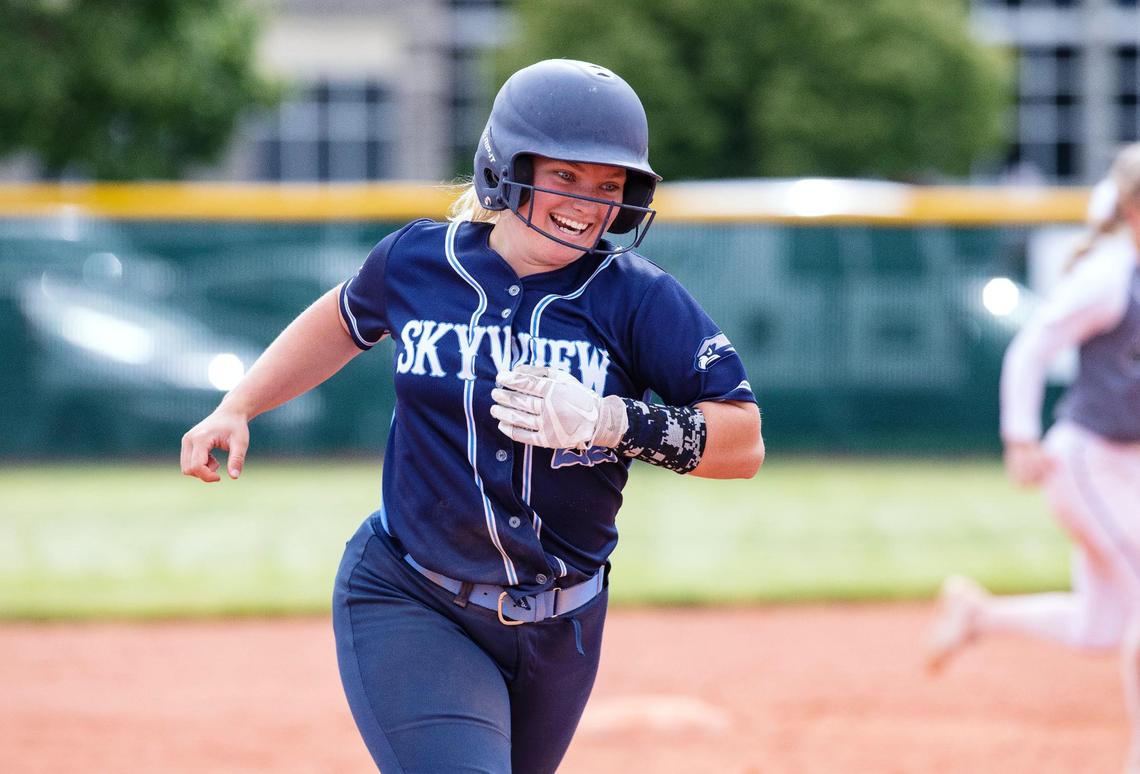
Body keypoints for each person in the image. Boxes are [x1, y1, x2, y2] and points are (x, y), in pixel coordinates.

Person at [180, 58, 764, 773]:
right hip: (410, 594)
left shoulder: (637, 299)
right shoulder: (418, 261)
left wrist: (614, 422)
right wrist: (239, 405)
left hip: (564, 625)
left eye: (609, 185)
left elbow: (744, 443)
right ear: (504, 168)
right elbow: (341, 319)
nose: (588, 202)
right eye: (565, 176)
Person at [926, 142, 1140, 772]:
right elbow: (1031, 348)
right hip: (1083, 461)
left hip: (1125, 467)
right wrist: (1020, 436)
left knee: (1103, 628)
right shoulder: (1109, 274)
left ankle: (979, 615)